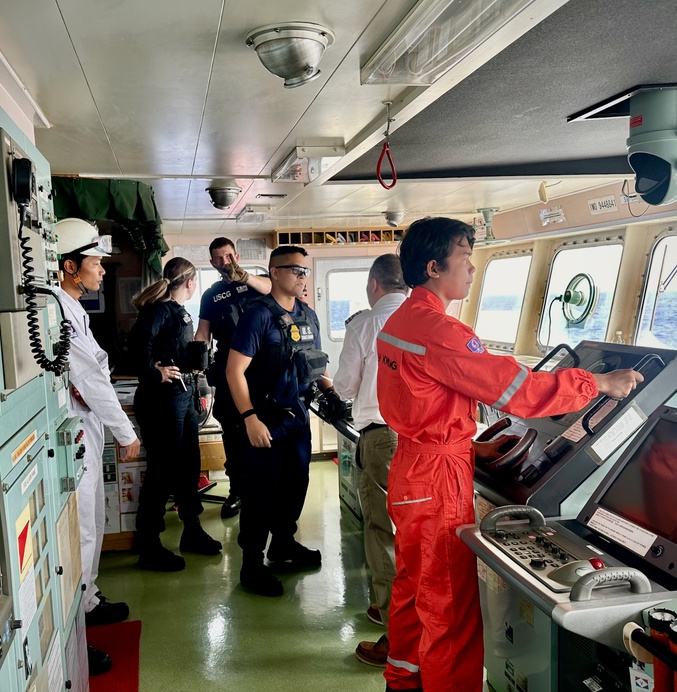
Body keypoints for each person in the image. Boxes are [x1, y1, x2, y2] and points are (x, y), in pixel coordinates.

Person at [376, 217, 644, 691]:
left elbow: (421, 401)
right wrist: (599, 383)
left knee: (414, 585)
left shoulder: (399, 320)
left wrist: (470, 445)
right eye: (465, 257)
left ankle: (404, 678)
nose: (473, 267)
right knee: (450, 602)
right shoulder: (442, 330)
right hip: (437, 479)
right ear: (435, 267)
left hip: (414, 466)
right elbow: (517, 391)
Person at [225, 245, 344, 597]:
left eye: (305, 270)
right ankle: (251, 564)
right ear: (274, 273)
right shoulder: (257, 315)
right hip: (265, 418)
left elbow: (315, 365)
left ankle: (282, 545)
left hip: (298, 417)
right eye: (295, 269)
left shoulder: (308, 315)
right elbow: (235, 371)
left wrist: (333, 394)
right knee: (262, 491)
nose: (302, 276)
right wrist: (249, 418)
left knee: (296, 486)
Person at [55, 218, 141, 676]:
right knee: (82, 531)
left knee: (92, 524)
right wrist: (126, 433)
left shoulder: (70, 307)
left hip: (83, 431)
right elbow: (89, 378)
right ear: (70, 266)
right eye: (95, 263)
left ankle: (86, 602)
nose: (103, 271)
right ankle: (74, 638)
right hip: (73, 435)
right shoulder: (57, 309)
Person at [332, 253, 408, 667]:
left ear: (374, 284)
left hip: (381, 438)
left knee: (383, 532)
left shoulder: (365, 324)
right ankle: (392, 609)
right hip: (422, 442)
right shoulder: (425, 321)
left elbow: (345, 388)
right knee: (413, 536)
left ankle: (396, 641)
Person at [128, 257, 221, 571]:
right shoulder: (158, 310)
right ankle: (149, 545)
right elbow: (136, 345)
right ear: (191, 282)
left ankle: (191, 530)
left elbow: (166, 349)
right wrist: (155, 373)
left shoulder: (179, 314)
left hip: (183, 397)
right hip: (162, 401)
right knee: (162, 471)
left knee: (187, 466)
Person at [194, 238, 272, 519]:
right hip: (228, 371)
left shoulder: (258, 283)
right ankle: (237, 491)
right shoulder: (211, 295)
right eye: (218, 259)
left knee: (267, 427)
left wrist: (246, 277)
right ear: (212, 262)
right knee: (233, 433)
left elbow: (272, 288)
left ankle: (267, 491)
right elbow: (203, 333)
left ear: (236, 255)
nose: (224, 262)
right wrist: (195, 361)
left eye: (228, 256)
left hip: (261, 370)